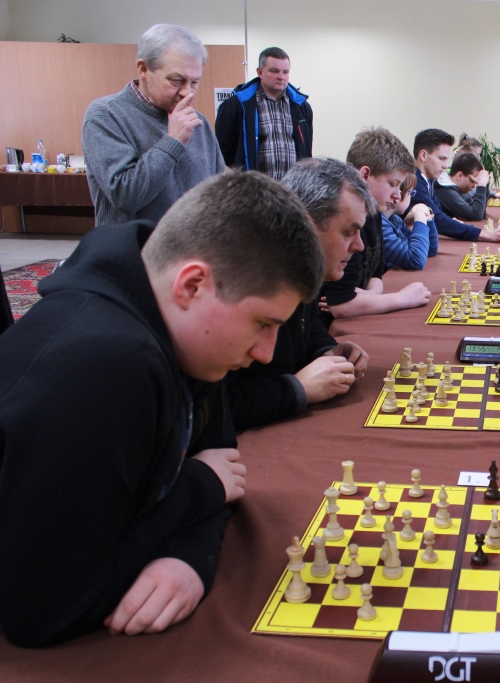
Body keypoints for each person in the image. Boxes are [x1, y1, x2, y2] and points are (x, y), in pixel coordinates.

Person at [0, 171, 324, 647]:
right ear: (191, 285)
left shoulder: (190, 337)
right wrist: (196, 489)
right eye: (262, 323)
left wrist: (189, 556)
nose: (266, 353)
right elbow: (44, 611)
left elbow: (222, 464)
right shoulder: (103, 371)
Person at [225, 158, 374, 432]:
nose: (359, 245)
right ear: (305, 224)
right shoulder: (242, 285)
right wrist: (298, 388)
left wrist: (326, 350)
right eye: (348, 232)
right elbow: (214, 406)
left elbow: (307, 323)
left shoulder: (302, 265)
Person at [83, 24, 224, 227]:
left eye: (194, 82)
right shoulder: (106, 115)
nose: (187, 93)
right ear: (144, 69)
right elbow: (124, 196)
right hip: (133, 246)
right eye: (176, 80)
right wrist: (173, 141)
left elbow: (218, 190)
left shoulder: (197, 122)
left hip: (190, 245)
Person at [319, 127, 431, 327]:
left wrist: (371, 295)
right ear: (365, 175)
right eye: (393, 184)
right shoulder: (345, 219)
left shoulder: (374, 214)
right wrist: (402, 298)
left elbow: (376, 273)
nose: (397, 195)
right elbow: (341, 305)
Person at [215, 47, 313, 178]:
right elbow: (224, 151)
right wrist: (244, 176)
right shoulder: (235, 106)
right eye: (274, 71)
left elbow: (306, 149)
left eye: (285, 72)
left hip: (293, 187)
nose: (281, 77)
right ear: (260, 72)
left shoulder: (302, 107)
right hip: (255, 187)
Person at [409, 128, 500, 244]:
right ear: (423, 155)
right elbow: (438, 220)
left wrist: (451, 220)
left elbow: (437, 212)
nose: (445, 165)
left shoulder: (428, 180)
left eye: (446, 159)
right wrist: (486, 235)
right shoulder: (414, 183)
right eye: (441, 158)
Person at [382, 174, 435, 270]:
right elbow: (416, 260)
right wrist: (420, 217)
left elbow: (430, 250)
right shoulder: (381, 225)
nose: (411, 197)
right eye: (411, 192)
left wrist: (427, 217)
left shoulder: (395, 220)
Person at [434, 152, 490, 221]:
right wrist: (481, 185)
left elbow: (480, 212)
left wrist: (485, 183)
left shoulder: (457, 188)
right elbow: (476, 215)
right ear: (459, 176)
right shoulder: (446, 190)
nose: (474, 186)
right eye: (472, 181)